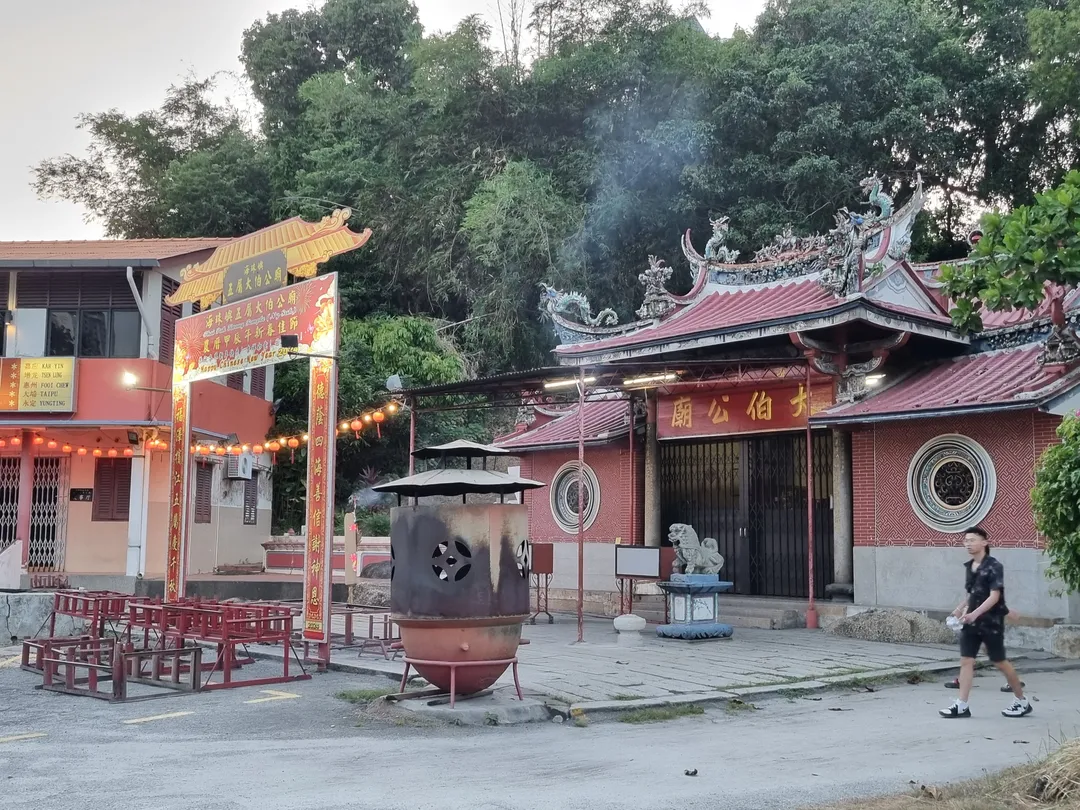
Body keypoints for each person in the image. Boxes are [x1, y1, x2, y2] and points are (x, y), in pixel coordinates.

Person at [939, 527, 1031, 719]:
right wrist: (959, 609)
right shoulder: (969, 566)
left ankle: (1022, 701)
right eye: (966, 540)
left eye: (972, 540)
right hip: (971, 622)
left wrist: (975, 614)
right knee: (966, 660)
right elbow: (972, 593)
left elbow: (994, 596)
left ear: (984, 543)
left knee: (1000, 662)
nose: (968, 544)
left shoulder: (994, 566)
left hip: (990, 622)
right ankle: (962, 705)